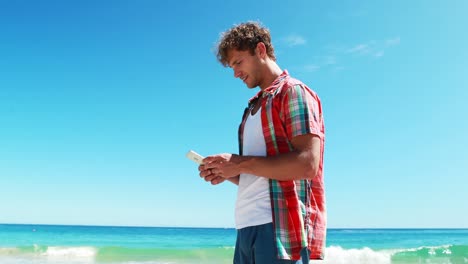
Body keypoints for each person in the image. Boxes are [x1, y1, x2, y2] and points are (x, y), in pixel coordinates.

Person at [199, 21, 326, 264]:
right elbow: (257, 172)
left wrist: (239, 163)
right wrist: (227, 171)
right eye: (231, 67)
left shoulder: (293, 92)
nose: (235, 72)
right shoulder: (251, 109)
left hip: (280, 230)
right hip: (246, 228)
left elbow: (307, 164)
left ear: (260, 50)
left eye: (238, 62)